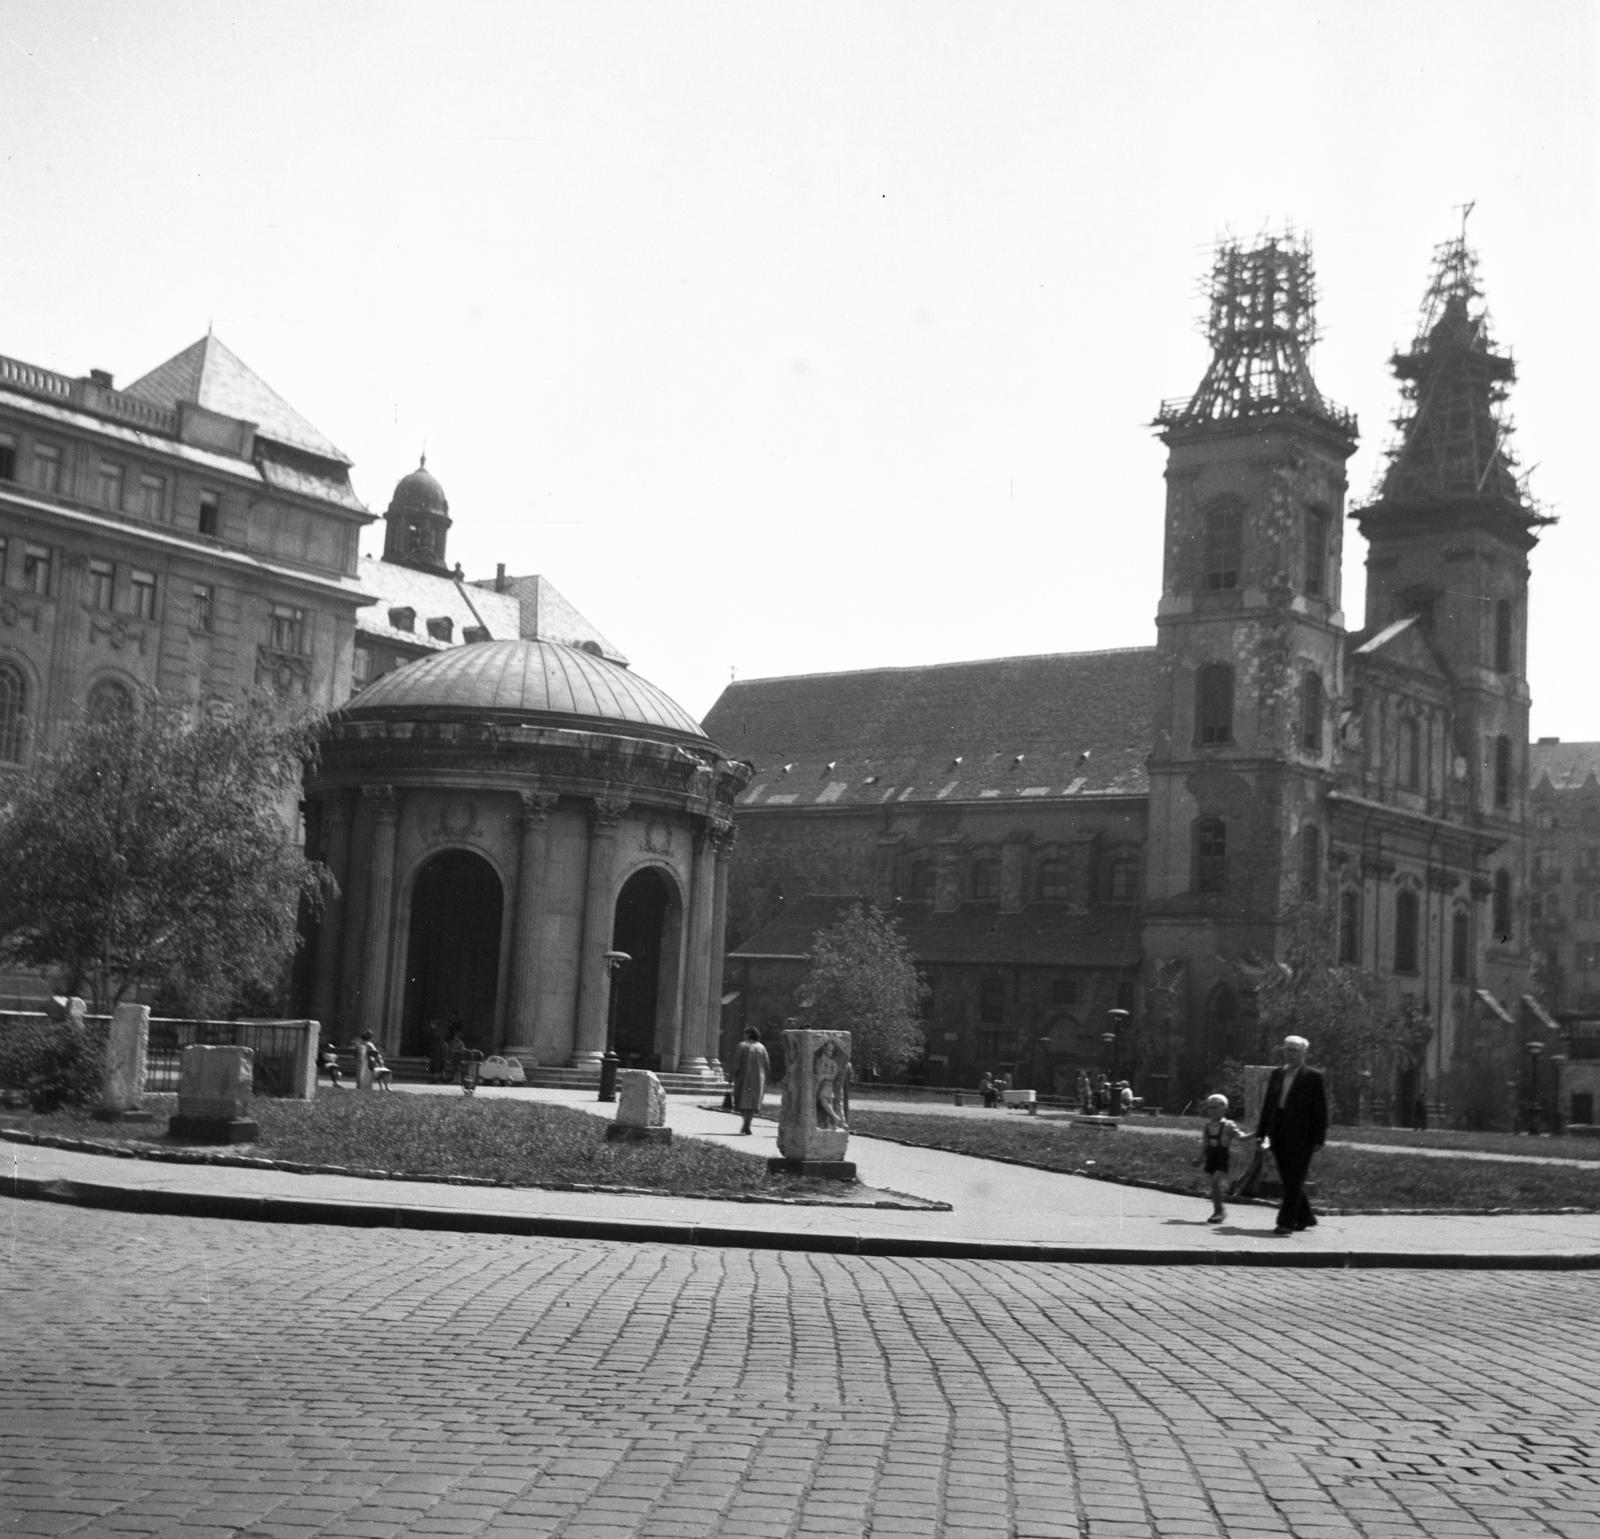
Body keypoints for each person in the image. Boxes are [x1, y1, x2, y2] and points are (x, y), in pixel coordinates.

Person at [1253, 1034, 1328, 1235]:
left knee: (1294, 1178)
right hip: (1278, 1133)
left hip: (1302, 1136)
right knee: (1289, 1179)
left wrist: (1319, 1138)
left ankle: (1285, 1222)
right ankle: (1306, 1217)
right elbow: (1268, 1105)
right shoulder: (1277, 1074)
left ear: (1304, 1053)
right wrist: (1261, 1133)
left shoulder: (1313, 1077)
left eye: (1295, 1050)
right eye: (1288, 1050)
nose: (1291, 1054)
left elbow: (1320, 1111)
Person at [1198, 1093, 1245, 1223]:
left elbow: (1241, 1137)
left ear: (1224, 1109)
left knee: (1214, 1182)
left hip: (1221, 1157)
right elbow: (1205, 1144)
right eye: (1209, 1108)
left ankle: (1219, 1211)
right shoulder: (1207, 1126)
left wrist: (1256, 1133)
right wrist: (1199, 1159)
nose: (1212, 1111)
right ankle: (1218, 1211)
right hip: (1211, 1157)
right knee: (1214, 1186)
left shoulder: (1228, 1125)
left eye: (1216, 1107)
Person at [729, 1026, 770, 1135]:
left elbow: (736, 1063)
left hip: (744, 1077)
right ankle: (748, 1123)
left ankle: (745, 1122)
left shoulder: (742, 1046)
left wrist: (731, 1075)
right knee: (753, 1102)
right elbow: (767, 1065)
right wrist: (766, 1078)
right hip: (758, 1079)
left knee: (742, 1100)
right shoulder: (762, 1047)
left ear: (748, 1034)